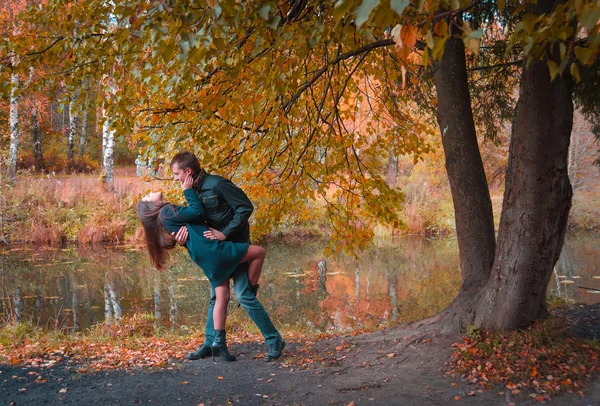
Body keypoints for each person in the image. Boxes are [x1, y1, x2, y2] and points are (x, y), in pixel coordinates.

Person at [137, 174, 267, 361]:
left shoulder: (166, 214)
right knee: (258, 253)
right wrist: (188, 191)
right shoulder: (166, 211)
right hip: (214, 250)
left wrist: (180, 240)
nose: (150, 192)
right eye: (148, 196)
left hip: (205, 256)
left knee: (221, 296)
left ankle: (217, 344)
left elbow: (191, 225)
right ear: (151, 206)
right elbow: (198, 212)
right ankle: (251, 289)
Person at [170, 151, 285, 361]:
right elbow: (195, 224)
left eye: (177, 173)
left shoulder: (217, 184)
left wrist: (225, 233)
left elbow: (245, 207)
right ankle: (209, 344)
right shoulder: (190, 191)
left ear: (188, 171)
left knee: (243, 295)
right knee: (216, 297)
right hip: (217, 253)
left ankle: (274, 340)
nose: (175, 179)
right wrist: (182, 241)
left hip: (235, 247)